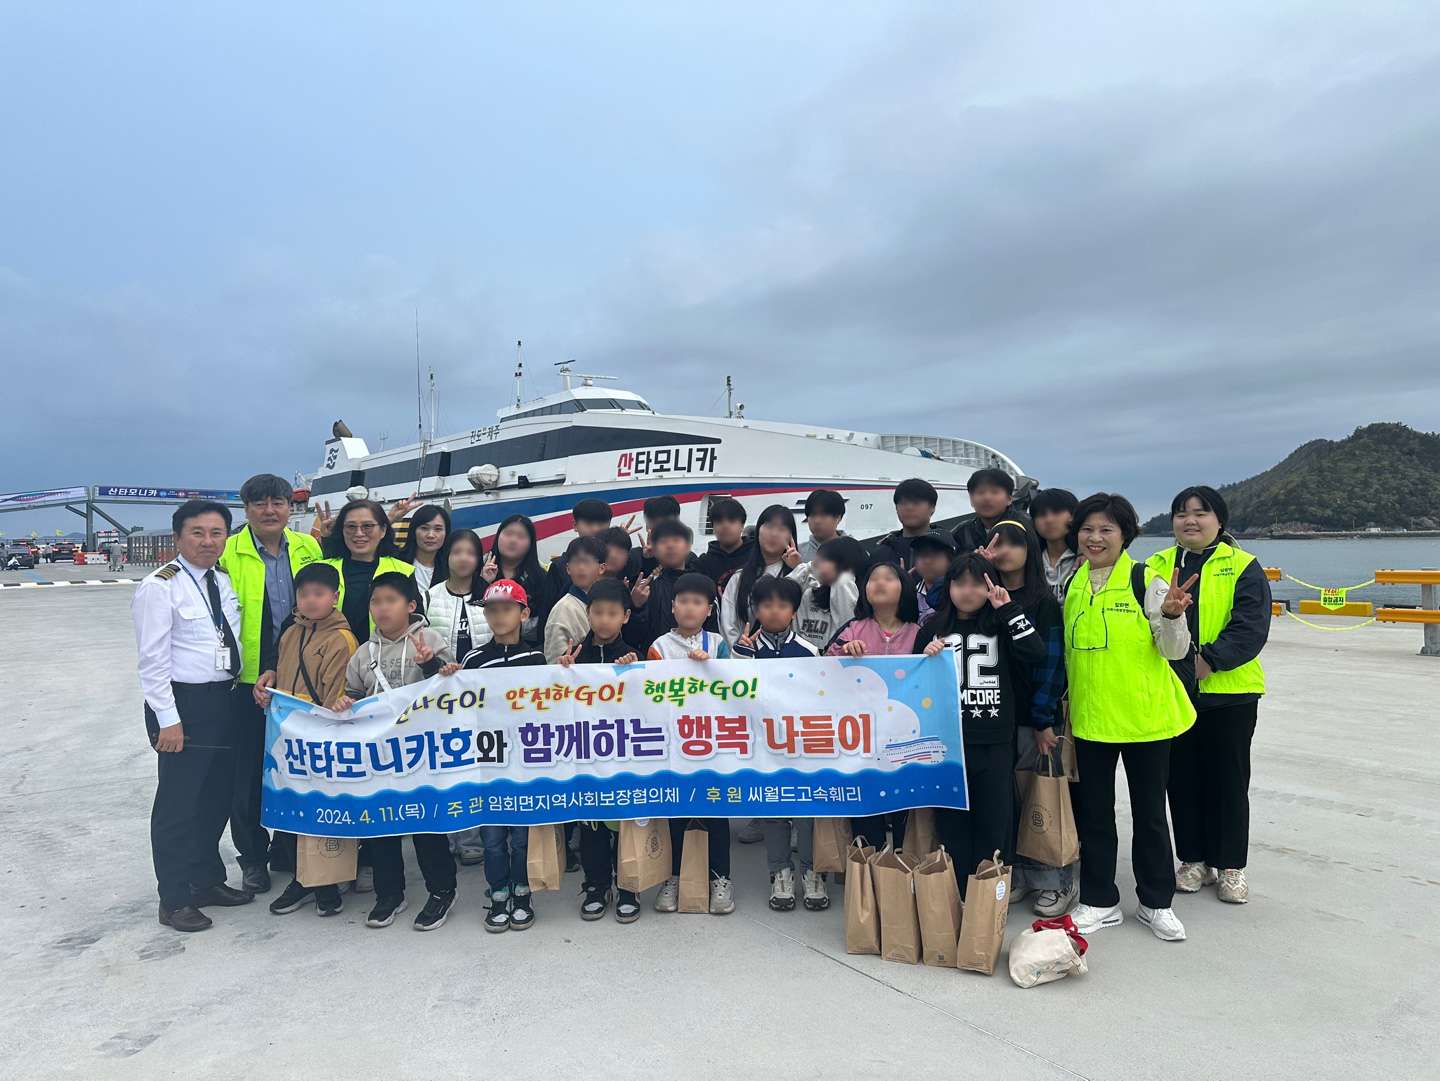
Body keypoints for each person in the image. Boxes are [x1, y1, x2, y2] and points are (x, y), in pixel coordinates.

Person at [1062, 493, 1196, 942]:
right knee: (1095, 814)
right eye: (1088, 529)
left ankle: (1156, 902)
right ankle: (1100, 900)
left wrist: (1175, 616)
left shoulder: (1146, 580)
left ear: (1125, 536)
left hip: (1145, 719)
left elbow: (1174, 650)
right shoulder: (1074, 584)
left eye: (1106, 530)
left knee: (1150, 813)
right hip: (1092, 718)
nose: (1095, 538)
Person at [131, 500, 252, 932]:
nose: (208, 541)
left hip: (224, 700)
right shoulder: (160, 587)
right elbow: (152, 662)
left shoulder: (221, 579)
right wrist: (168, 719)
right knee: (179, 805)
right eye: (197, 532)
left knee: (215, 798)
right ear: (179, 537)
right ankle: (174, 898)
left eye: (217, 532)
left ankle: (206, 881)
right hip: (183, 706)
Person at [1150, 485, 1270, 905]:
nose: (1190, 520)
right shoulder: (1156, 566)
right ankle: (1193, 859)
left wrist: (1210, 662)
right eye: (1182, 513)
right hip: (1174, 694)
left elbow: (1251, 627)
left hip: (1230, 694)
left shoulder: (1243, 564)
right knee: (1180, 778)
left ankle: (1231, 866)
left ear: (1220, 521)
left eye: (1201, 513)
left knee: (1229, 780)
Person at [218, 473, 324, 892]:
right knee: (246, 773)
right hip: (247, 680)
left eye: (277, 502)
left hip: (299, 676)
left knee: (295, 764)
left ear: (288, 507)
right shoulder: (228, 552)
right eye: (259, 503)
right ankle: (253, 856)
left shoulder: (307, 546)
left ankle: (286, 846)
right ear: (245, 510)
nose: (269, 510)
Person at [333, 572, 457, 930]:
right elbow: (355, 692)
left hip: (424, 750)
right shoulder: (364, 651)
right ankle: (390, 893)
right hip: (380, 754)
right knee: (381, 822)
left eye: (390, 600)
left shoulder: (430, 638)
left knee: (426, 820)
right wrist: (346, 702)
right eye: (376, 601)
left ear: (411, 606)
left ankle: (442, 890)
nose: (382, 608)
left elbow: (452, 685)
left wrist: (431, 663)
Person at [917, 552, 1044, 892]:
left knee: (993, 821)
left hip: (995, 739)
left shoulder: (1002, 624)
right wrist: (924, 658)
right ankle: (956, 894)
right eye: (960, 583)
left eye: (977, 584)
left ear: (991, 587)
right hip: (947, 743)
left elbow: (1035, 651)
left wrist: (1008, 609)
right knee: (952, 823)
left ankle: (988, 896)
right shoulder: (932, 627)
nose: (968, 591)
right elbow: (913, 685)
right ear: (949, 587)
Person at [977, 520, 1073, 915]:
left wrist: (1043, 719)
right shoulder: (980, 594)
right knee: (1007, 800)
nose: (1006, 550)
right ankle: (1015, 871)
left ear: (1030, 550)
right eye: (998, 543)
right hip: (992, 714)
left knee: (1041, 797)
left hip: (1029, 716)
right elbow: (942, 605)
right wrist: (972, 563)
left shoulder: (1042, 600)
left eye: (1016, 543)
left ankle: (1054, 881)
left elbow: (1052, 663)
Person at [252, 562, 358, 917]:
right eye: (304, 594)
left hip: (319, 738)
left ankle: (322, 886)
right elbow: (283, 681)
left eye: (319, 594)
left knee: (318, 811)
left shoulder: (341, 639)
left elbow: (336, 694)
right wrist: (270, 695)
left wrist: (318, 732)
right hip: (288, 739)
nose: (311, 601)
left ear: (335, 597)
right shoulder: (291, 633)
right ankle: (309, 880)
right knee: (296, 810)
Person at [444, 580, 546, 930]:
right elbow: (459, 706)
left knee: (521, 838)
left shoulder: (536, 657)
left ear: (524, 612)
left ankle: (522, 892)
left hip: (523, 764)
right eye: (491, 609)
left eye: (507, 608)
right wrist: (445, 676)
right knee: (492, 840)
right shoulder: (473, 658)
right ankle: (498, 892)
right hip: (486, 766)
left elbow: (546, 708)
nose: (498, 616)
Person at [732, 576, 830, 913]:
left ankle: (811, 873)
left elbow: (822, 698)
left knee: (806, 813)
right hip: (762, 747)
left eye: (782, 605)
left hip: (801, 745)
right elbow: (731, 697)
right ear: (756, 610)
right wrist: (742, 659)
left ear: (793, 612)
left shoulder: (810, 650)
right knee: (773, 811)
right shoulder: (742, 651)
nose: (773, 611)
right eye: (766, 605)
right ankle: (780, 874)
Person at [555, 579, 642, 923]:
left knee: (623, 825)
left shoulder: (635, 653)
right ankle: (595, 886)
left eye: (612, 613)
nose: (604, 620)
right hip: (586, 758)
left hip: (624, 759)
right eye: (598, 612)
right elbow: (554, 704)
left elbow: (649, 707)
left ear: (625, 616)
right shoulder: (576, 657)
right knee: (592, 827)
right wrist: (561, 673)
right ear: (587, 614)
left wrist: (634, 673)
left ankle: (628, 886)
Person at [828, 560, 923, 850]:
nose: (879, 583)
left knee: (906, 812)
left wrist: (934, 652)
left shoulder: (920, 633)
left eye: (889, 578)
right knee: (867, 816)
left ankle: (903, 877)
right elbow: (821, 674)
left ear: (904, 588)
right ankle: (868, 879)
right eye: (873, 579)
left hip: (907, 740)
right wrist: (842, 652)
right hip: (862, 741)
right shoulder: (852, 629)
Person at [319, 499, 415, 642]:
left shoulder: (403, 571)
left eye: (367, 526)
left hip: (384, 659)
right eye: (351, 527)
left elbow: (415, 625)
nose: (359, 533)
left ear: (383, 531)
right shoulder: (321, 571)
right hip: (329, 659)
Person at [719, 504, 807, 650]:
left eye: (782, 529)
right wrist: (741, 654)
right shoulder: (739, 578)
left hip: (792, 662)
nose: (774, 534)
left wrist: (799, 569)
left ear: (791, 536)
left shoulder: (800, 574)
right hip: (749, 664)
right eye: (769, 526)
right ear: (758, 530)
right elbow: (729, 626)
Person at [626, 519, 715, 655]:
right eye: (663, 542)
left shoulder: (703, 585)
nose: (670, 546)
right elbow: (633, 637)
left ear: (688, 547)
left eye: (676, 540)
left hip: (699, 662)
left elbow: (713, 628)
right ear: (653, 550)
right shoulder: (644, 587)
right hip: (656, 662)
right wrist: (637, 607)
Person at [480, 514, 554, 641]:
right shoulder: (478, 569)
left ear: (531, 543)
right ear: (498, 536)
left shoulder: (541, 578)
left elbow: (543, 622)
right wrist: (483, 583)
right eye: (508, 534)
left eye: (521, 536)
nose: (513, 540)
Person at [425, 528, 492, 663]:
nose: (463, 558)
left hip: (482, 680)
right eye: (456, 552)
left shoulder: (491, 597)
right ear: (446, 556)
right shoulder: (428, 598)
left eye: (471, 553)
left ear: (478, 559)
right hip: (440, 678)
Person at [792, 536, 866, 651]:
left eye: (826, 559)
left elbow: (849, 630)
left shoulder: (851, 593)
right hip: (802, 662)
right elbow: (782, 592)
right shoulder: (809, 594)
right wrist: (808, 568)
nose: (818, 563)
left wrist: (843, 579)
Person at [544, 536, 606, 663]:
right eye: (576, 562)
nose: (581, 567)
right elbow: (553, 663)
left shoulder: (608, 602)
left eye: (587, 561)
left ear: (601, 568)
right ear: (568, 569)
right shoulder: (563, 609)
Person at [646, 572, 731, 661]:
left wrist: (709, 664)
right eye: (683, 601)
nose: (689, 608)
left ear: (709, 610)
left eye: (697, 602)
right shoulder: (659, 646)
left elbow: (725, 673)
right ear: (673, 607)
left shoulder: (717, 643)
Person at [545, 497, 616, 597]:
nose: (595, 529)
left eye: (601, 524)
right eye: (589, 524)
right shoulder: (559, 567)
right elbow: (548, 608)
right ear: (575, 525)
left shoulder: (616, 561)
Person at [952, 468, 1033, 552]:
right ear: (971, 500)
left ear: (1009, 499)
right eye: (980, 492)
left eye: (995, 492)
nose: (987, 498)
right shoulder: (963, 531)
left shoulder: (1027, 524)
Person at [872, 478, 937, 568]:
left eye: (916, 502)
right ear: (896, 508)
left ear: (933, 507)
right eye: (903, 502)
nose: (909, 507)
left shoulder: (946, 548)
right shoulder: (881, 553)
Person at [1029, 488, 1080, 602]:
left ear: (1073, 515)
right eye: (1042, 514)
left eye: (1056, 512)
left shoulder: (1087, 559)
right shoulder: (1030, 560)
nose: (1049, 519)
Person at [695, 498, 752, 591]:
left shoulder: (758, 555)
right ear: (713, 527)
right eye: (719, 521)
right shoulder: (702, 564)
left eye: (731, 520)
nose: (725, 525)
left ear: (742, 526)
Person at [398, 504, 450, 593]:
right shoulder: (396, 563)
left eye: (438, 529)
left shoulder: (450, 570)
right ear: (413, 532)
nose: (430, 535)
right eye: (424, 528)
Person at [909, 530, 957, 622]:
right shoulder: (910, 595)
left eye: (935, 555)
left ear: (951, 560)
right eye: (922, 554)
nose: (927, 561)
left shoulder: (961, 592)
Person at [798, 489, 848, 562]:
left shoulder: (855, 551)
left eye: (823, 515)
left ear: (838, 518)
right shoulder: (797, 553)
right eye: (813, 515)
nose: (817, 521)